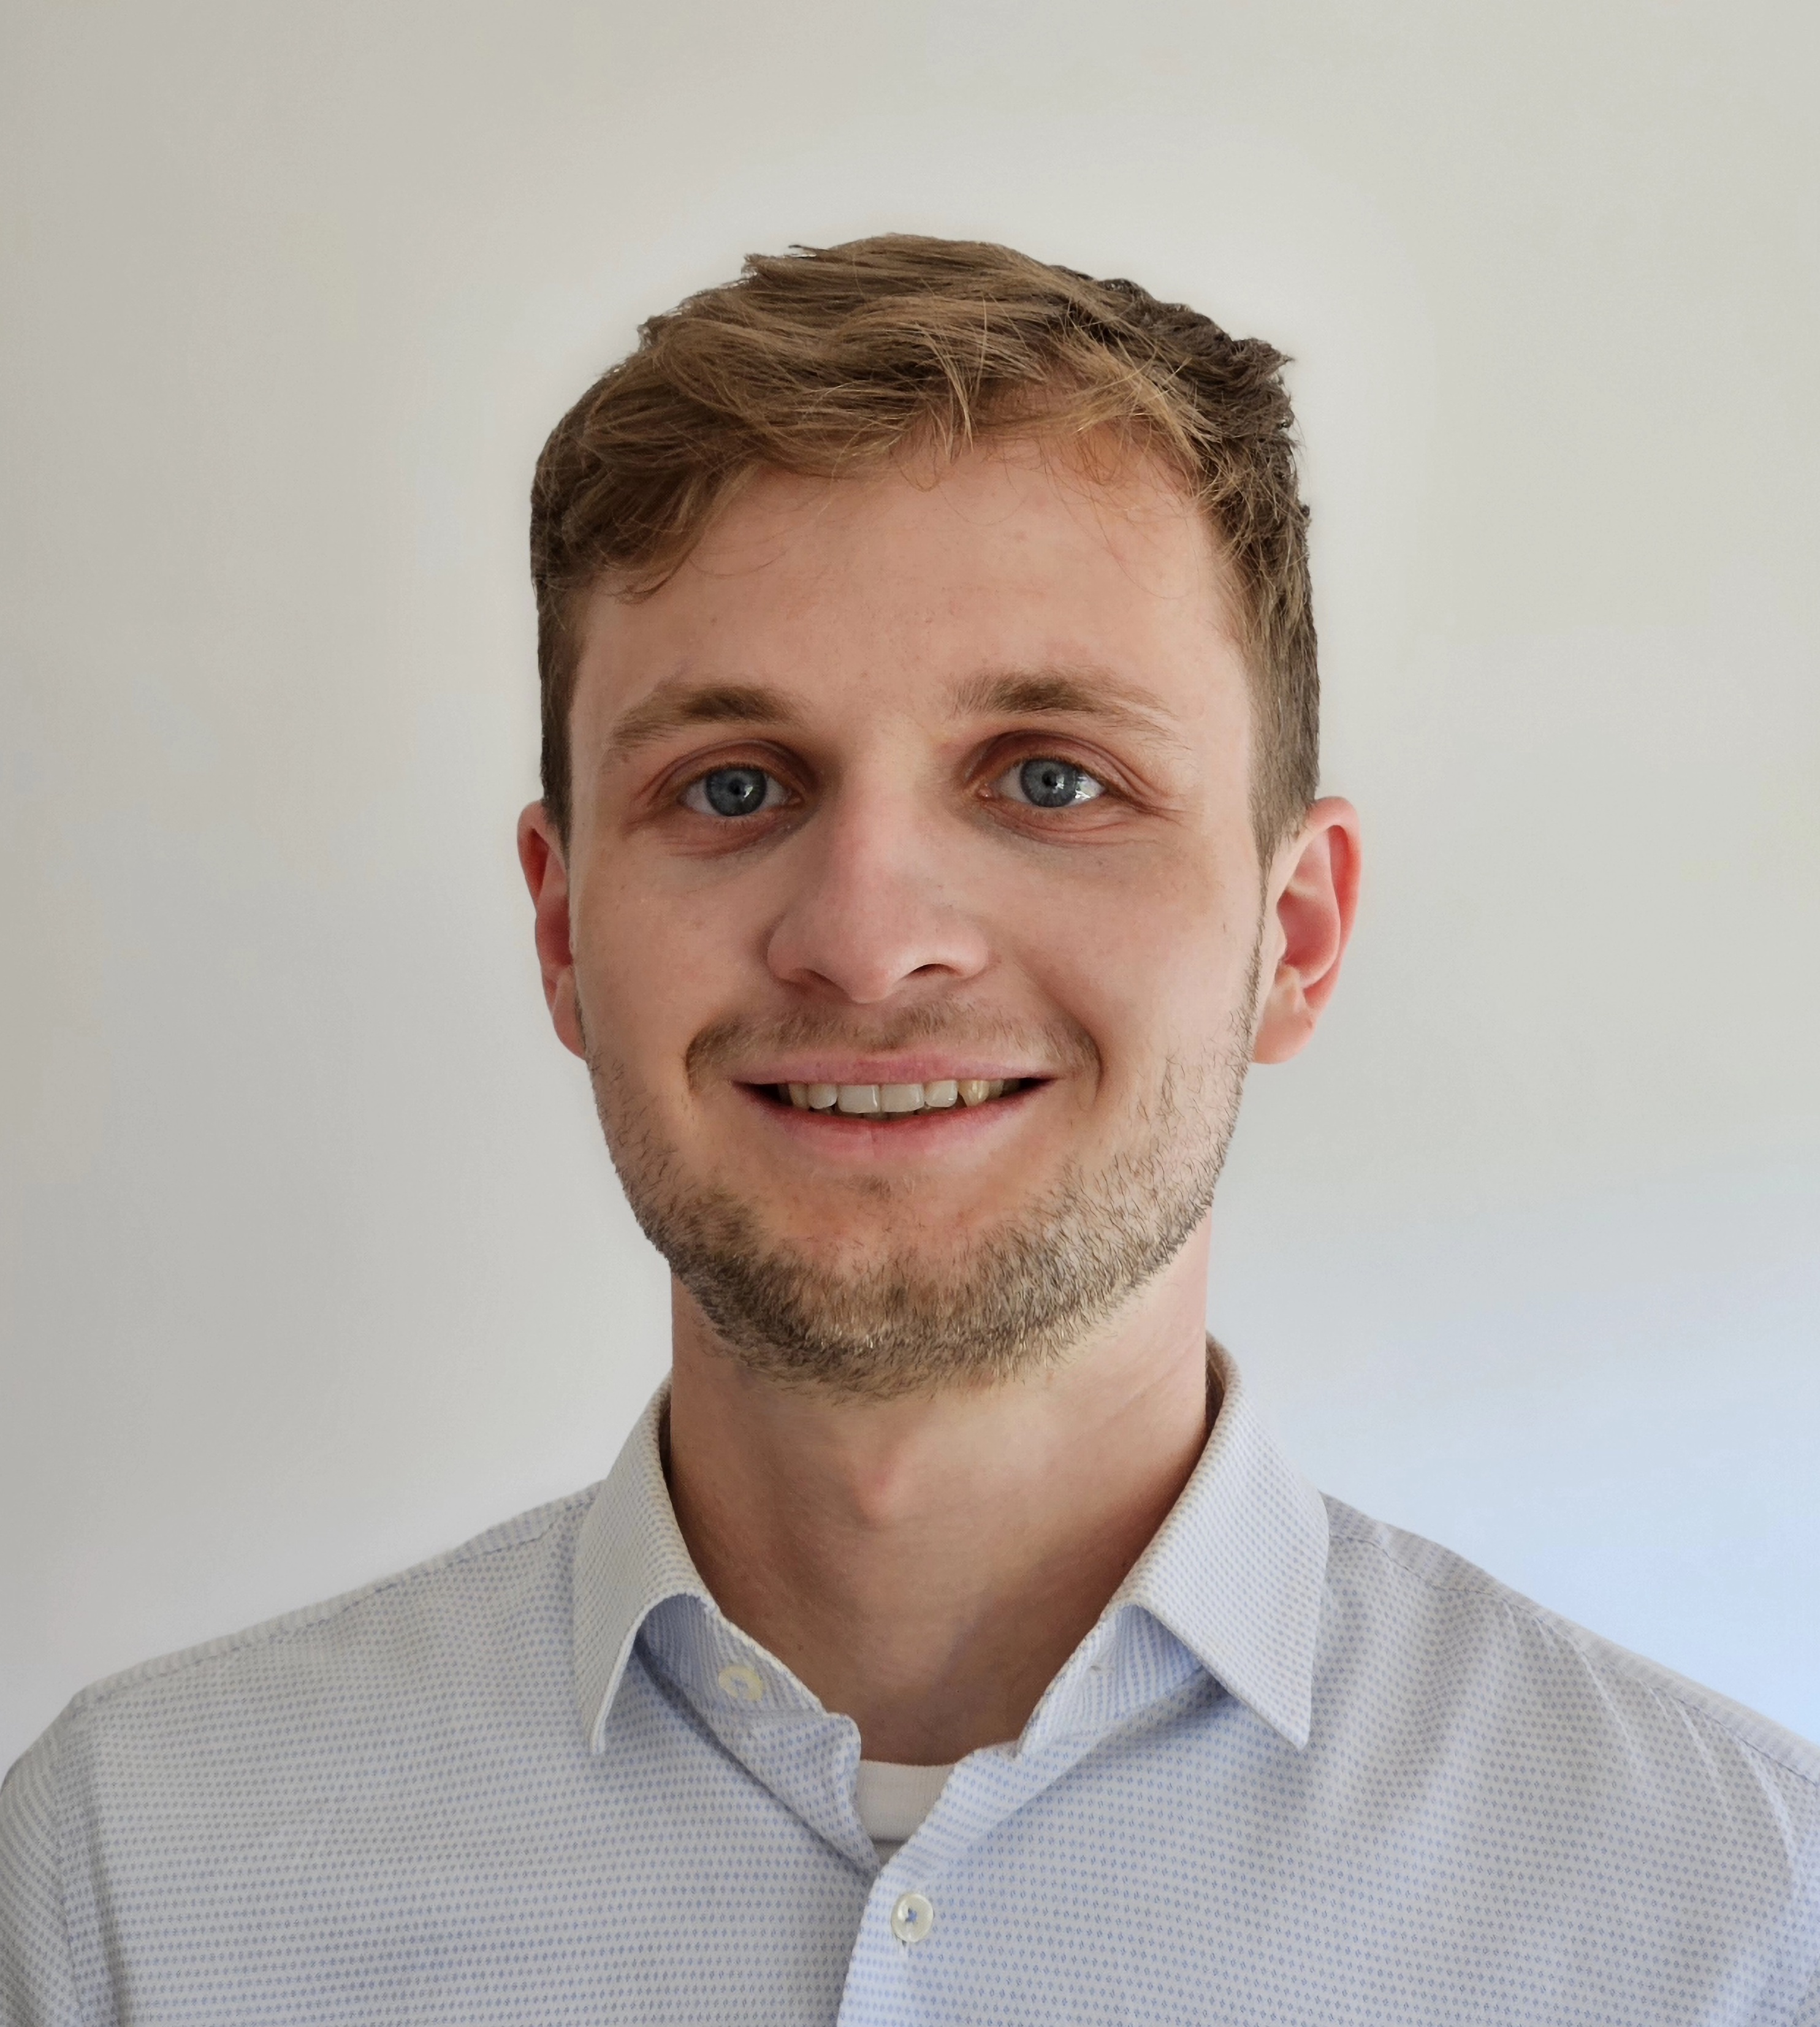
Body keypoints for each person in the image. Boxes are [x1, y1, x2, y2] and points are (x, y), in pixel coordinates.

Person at [2, 235, 1815, 2026]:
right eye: (730, 786)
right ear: (563, 932)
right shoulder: (134, 1884)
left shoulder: (1727, 1925)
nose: (866, 938)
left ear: (1299, 933)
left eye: (1050, 777)